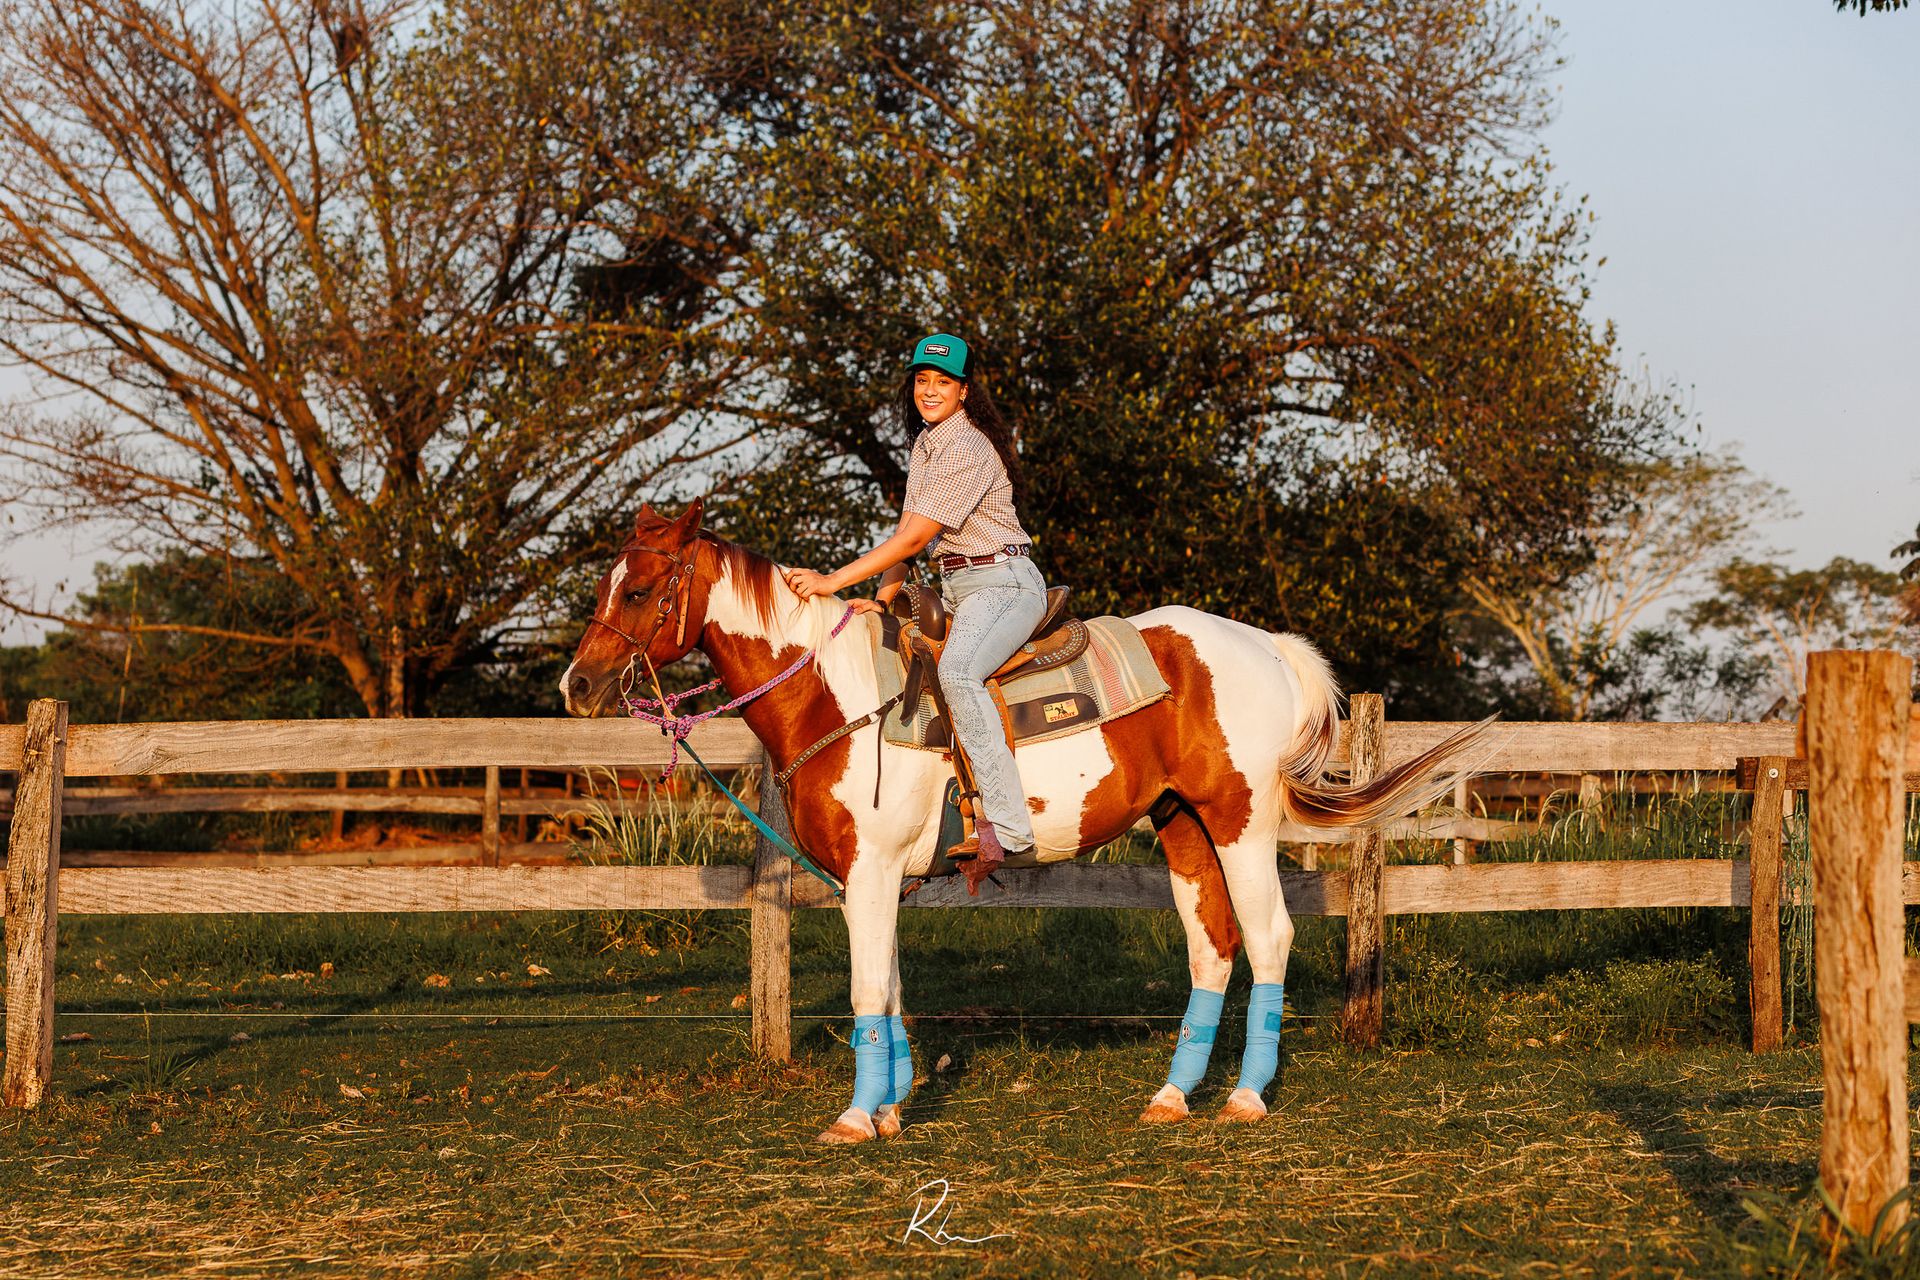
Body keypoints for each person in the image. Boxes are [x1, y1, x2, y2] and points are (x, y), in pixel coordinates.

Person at [782, 332, 1047, 877]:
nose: (930, 390)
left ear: (964, 391)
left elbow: (915, 540)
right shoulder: (927, 446)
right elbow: (907, 537)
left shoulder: (967, 447)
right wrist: (882, 600)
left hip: (1003, 584)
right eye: (922, 380)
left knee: (959, 673)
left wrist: (831, 581)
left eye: (943, 382)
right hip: (958, 589)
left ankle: (1011, 827)